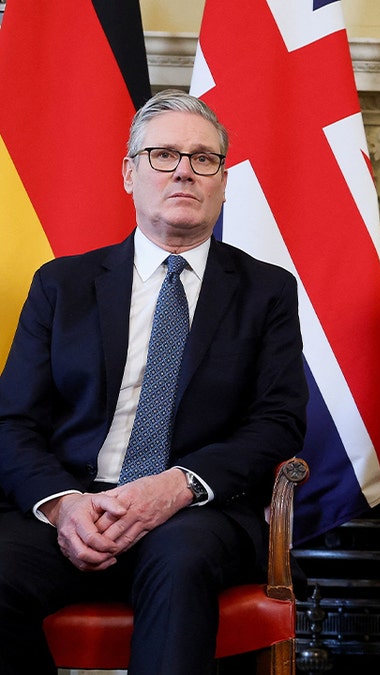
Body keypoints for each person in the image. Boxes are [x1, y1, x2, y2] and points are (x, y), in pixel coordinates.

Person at [0, 89, 307, 675]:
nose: (184, 171)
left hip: (195, 512)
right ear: (129, 172)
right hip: (72, 499)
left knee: (181, 560)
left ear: (223, 180)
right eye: (163, 155)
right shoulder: (62, 285)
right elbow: (13, 420)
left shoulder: (266, 291)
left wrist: (175, 487)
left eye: (204, 158)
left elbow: (278, 423)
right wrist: (64, 506)